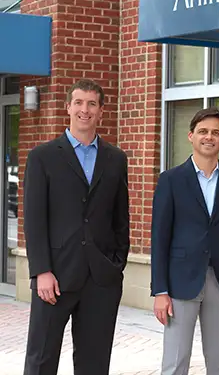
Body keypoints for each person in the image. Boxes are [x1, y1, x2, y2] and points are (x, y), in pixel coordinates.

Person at [23, 79, 130, 375]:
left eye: (92, 104)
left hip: (101, 279)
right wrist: (41, 270)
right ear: (68, 107)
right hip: (54, 277)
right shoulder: (42, 157)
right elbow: (33, 218)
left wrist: (116, 263)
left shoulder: (116, 159)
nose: (85, 110)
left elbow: (121, 218)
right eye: (79, 103)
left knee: (94, 363)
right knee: (41, 359)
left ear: (101, 112)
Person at [151, 107, 219, 375]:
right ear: (191, 136)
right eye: (203, 132)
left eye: (216, 133)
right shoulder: (170, 180)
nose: (209, 137)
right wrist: (160, 290)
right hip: (180, 281)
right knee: (175, 362)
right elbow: (160, 237)